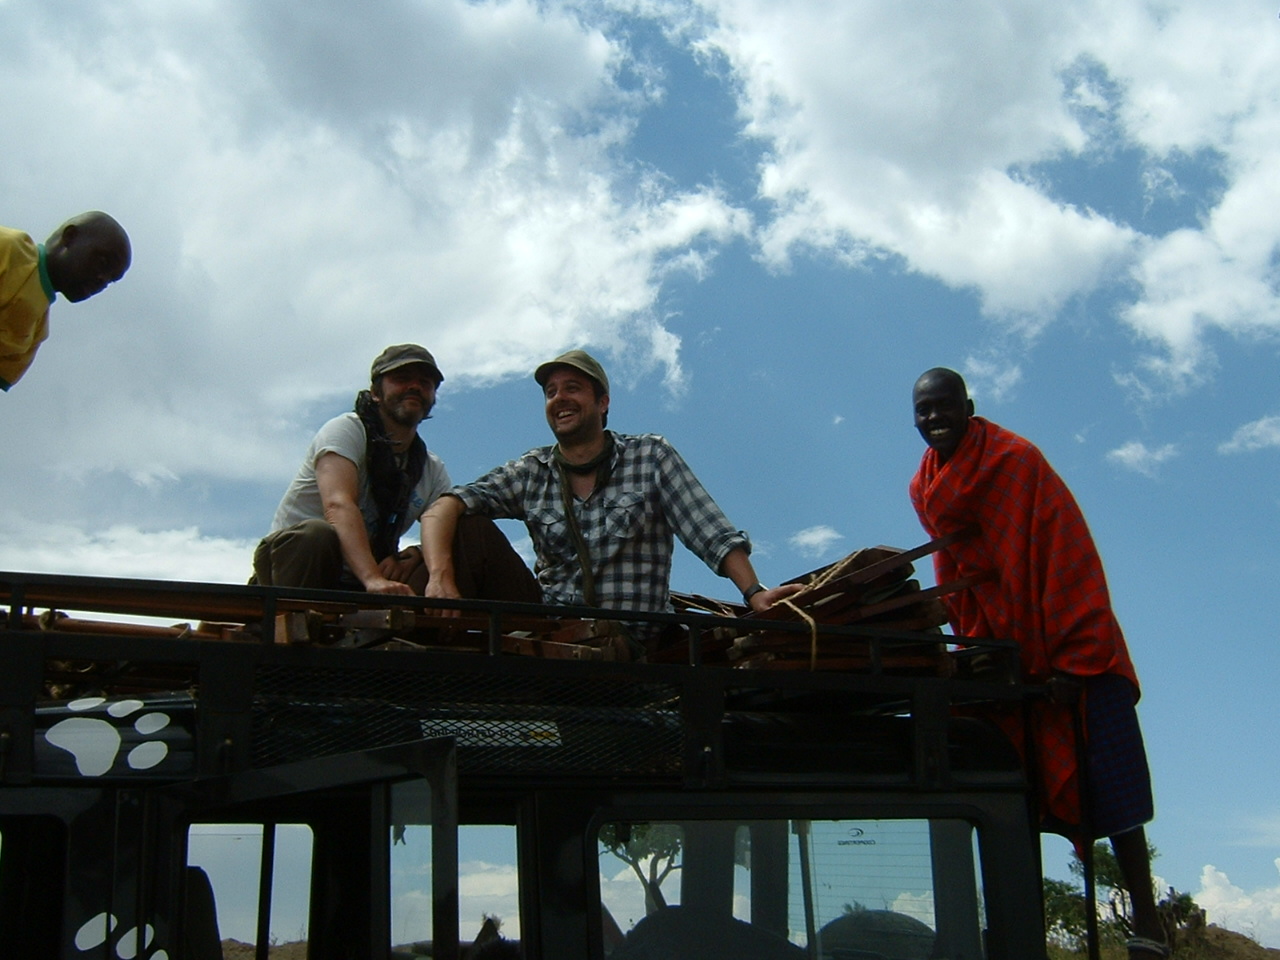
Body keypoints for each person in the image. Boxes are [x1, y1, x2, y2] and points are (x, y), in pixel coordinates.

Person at [907, 367, 1167, 959]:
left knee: (1112, 786)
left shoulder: (1015, 460)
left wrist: (1073, 658)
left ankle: (1148, 921)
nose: (935, 418)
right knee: (1016, 788)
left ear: (969, 406)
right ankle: (1020, 929)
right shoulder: (925, 486)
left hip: (1073, 642)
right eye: (923, 411)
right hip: (1007, 652)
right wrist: (978, 648)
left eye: (944, 406)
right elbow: (957, 572)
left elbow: (1066, 550)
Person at [421, 349, 800, 655]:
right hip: (556, 632)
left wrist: (754, 592)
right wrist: (440, 577)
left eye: (572, 388)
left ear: (602, 402)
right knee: (467, 526)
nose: (559, 399)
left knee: (612, 642)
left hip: (633, 640)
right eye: (551, 392)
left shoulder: (650, 456)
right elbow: (444, 506)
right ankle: (435, 654)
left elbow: (709, 531)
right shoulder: (531, 470)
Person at [253, 344, 538, 600]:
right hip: (293, 566)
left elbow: (444, 525)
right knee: (317, 535)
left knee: (455, 544)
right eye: (402, 379)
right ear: (376, 392)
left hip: (361, 581)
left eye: (425, 383)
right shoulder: (347, 430)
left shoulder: (430, 468)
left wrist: (417, 553)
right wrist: (373, 579)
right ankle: (287, 623)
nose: (414, 386)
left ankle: (502, 633)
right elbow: (338, 505)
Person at [1, 211, 131, 391]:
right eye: (102, 263)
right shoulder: (10, 249)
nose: (102, 280)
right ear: (70, 237)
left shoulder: (37, 330)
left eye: (111, 279)